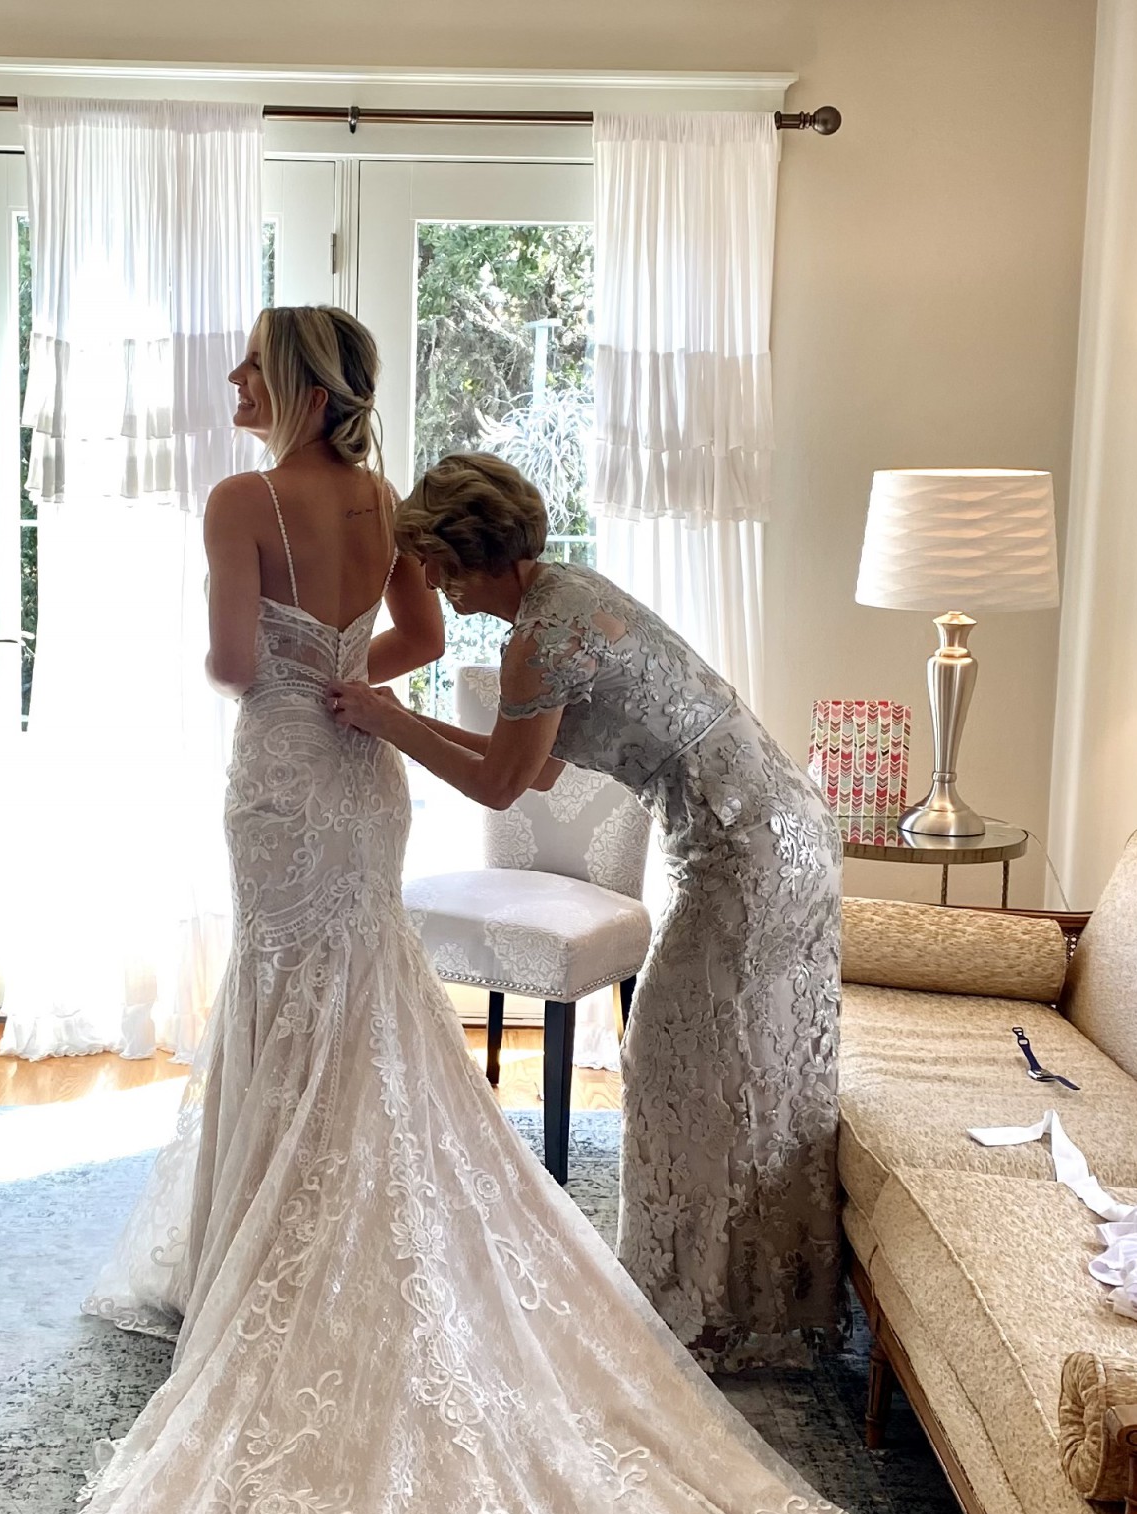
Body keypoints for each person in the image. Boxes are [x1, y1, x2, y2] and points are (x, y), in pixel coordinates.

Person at [0, 308, 1054, 1514]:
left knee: (297, 1002)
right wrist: (362, 673)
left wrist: (311, 673)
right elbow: (406, 633)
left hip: (292, 778)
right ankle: (342, 1215)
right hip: (361, 784)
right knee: (364, 1008)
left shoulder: (249, 505)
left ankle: (283, 1228)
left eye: (249, 370)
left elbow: (234, 666)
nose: (231, 390)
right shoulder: (384, 507)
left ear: (296, 386)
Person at [331, 456, 841, 1368]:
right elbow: (537, 770)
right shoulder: (562, 595)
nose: (434, 587)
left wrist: (388, 722)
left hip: (746, 848)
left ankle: (697, 1308)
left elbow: (500, 785)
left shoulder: (541, 635)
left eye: (435, 564)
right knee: (734, 1063)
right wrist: (395, 716)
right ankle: (741, 1299)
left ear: (467, 553)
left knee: (679, 1056)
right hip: (773, 828)